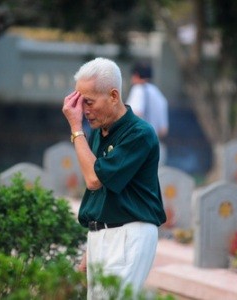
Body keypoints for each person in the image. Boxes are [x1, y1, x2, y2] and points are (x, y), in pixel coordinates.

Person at [62, 57, 166, 298]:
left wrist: (76, 129)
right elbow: (100, 195)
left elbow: (94, 179)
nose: (83, 110)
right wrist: (90, 251)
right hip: (103, 233)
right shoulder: (101, 131)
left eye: (88, 102)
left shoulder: (139, 133)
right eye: (79, 102)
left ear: (113, 96)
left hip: (130, 232)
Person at [126, 62, 169, 140]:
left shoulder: (138, 89)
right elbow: (163, 130)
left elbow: (136, 113)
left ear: (136, 75)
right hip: (153, 144)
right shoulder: (159, 95)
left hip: (139, 143)